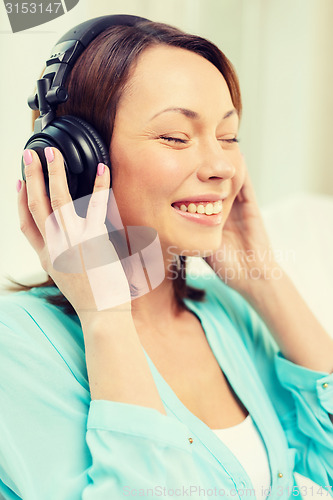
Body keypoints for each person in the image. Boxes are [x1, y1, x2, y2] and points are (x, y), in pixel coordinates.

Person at [0, 15, 332, 500]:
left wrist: (266, 282)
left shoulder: (226, 314)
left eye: (229, 136)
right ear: (78, 158)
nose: (221, 167)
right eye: (176, 137)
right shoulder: (17, 348)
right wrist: (106, 319)